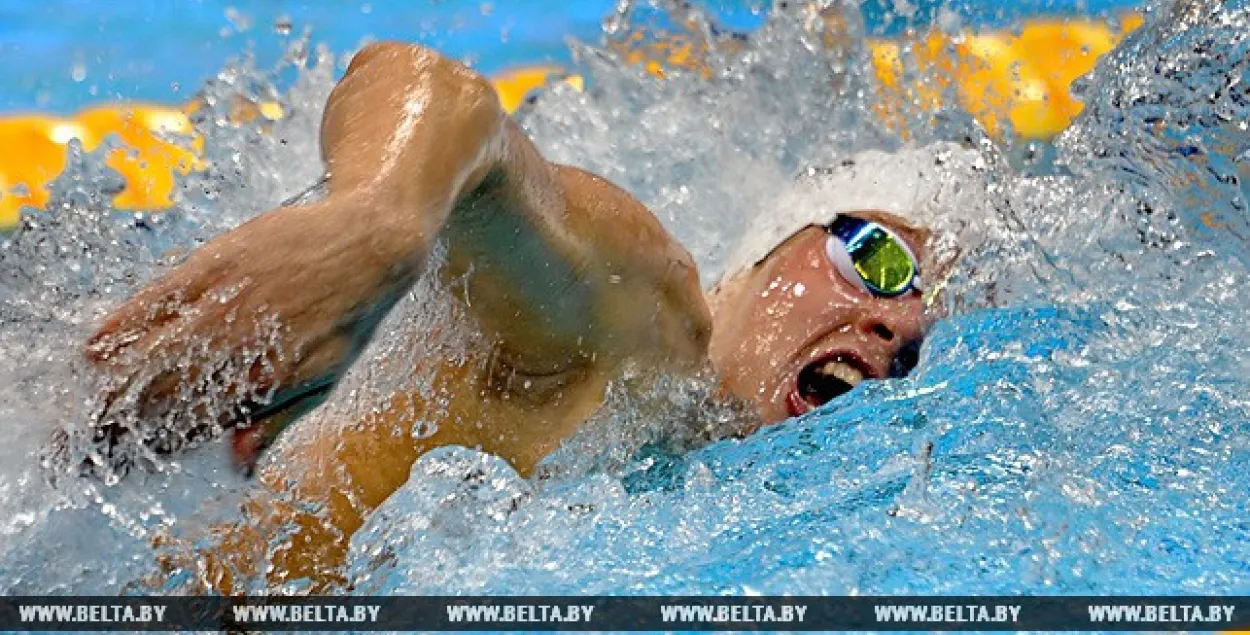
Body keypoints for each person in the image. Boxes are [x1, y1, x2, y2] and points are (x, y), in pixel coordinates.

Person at [77, 42, 970, 590]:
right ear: (761, 259)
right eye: (878, 259)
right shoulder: (648, 324)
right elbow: (437, 96)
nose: (899, 327)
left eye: (931, 336)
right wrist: (371, 230)